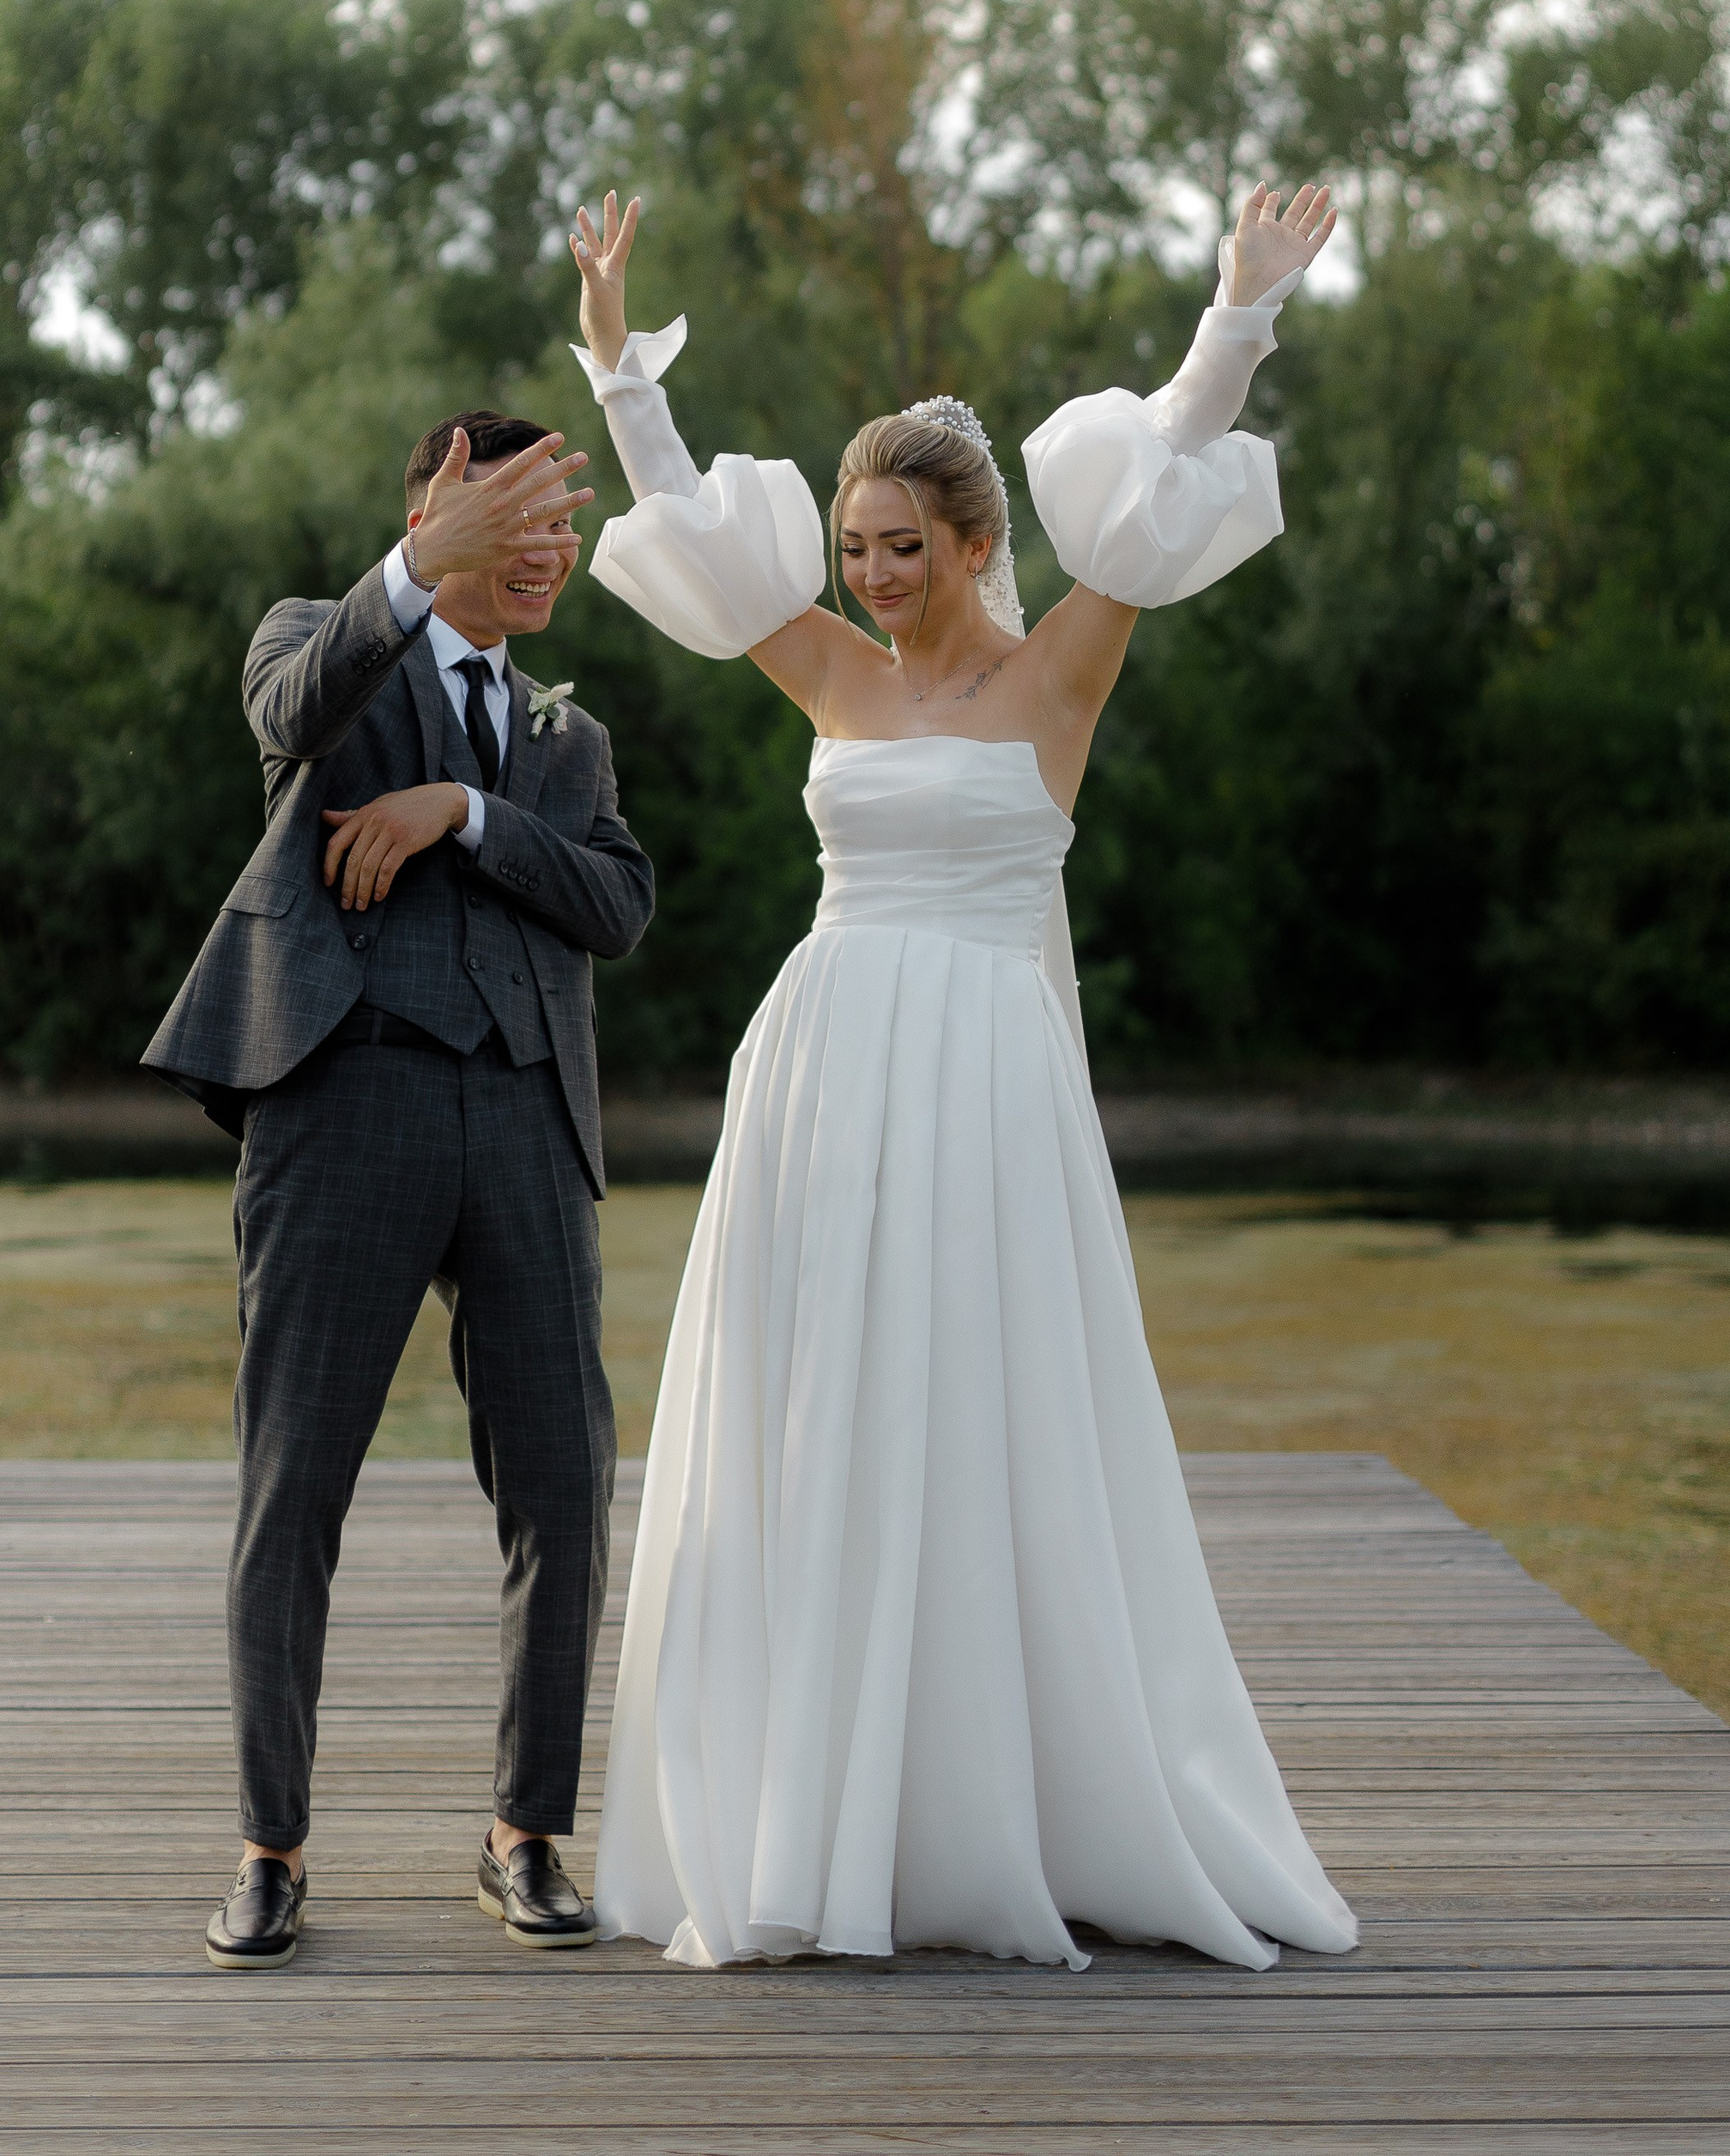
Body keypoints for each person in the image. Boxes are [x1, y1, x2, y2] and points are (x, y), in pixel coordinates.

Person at [566, 183, 1358, 1972]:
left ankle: (1007, 1805)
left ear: (974, 537)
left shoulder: (1060, 669)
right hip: (826, 1072)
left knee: (984, 1412)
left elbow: (1159, 486)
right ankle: (822, 1812)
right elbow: (688, 530)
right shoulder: (829, 671)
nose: (867, 572)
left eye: (900, 544)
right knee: (828, 1412)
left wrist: (1233, 316)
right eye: (853, 543)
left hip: (989, 1082)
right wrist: (622, 374)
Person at [140, 412, 655, 1968]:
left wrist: (466, 816)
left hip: (523, 1118)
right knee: (294, 1486)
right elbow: (295, 719)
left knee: (563, 1483)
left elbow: (620, 904)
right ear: (441, 508)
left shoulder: (566, 741)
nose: (557, 547)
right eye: (526, 515)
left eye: (567, 525)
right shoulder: (322, 640)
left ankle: (525, 1837)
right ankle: (270, 1848)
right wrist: (413, 573)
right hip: (344, 1101)